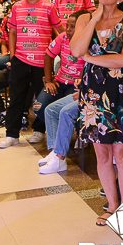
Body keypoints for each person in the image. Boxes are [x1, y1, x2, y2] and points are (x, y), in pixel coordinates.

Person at [71, 0, 123, 225]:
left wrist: (90, 59)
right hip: (93, 92)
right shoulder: (85, 19)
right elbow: (76, 49)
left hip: (121, 91)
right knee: (101, 152)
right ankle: (111, 205)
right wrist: (95, 18)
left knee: (121, 152)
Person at [0, 0, 62, 149]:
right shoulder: (17, 7)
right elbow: (12, 31)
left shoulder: (49, 7)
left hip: (42, 62)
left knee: (41, 98)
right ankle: (12, 134)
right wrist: (13, 56)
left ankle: (39, 130)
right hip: (21, 59)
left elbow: (59, 30)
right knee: (16, 97)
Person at [35, 9, 88, 171]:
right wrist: (49, 80)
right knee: (42, 108)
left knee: (65, 112)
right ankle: (55, 150)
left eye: (73, 27)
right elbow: (48, 55)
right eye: (67, 26)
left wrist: (83, 86)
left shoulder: (88, 43)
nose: (68, 30)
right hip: (60, 82)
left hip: (78, 87)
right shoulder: (62, 38)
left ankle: (63, 150)